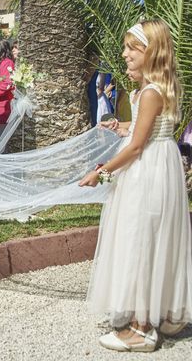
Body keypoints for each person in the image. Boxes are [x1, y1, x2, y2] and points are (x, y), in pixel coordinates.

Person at [79, 20, 192, 352]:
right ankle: (169, 313)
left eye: (133, 48)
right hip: (162, 165)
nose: (125, 54)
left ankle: (142, 329)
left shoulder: (151, 92)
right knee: (159, 238)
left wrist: (101, 171)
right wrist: (123, 125)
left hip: (146, 171)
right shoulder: (160, 88)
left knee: (140, 240)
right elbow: (149, 128)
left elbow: (137, 146)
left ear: (151, 52)